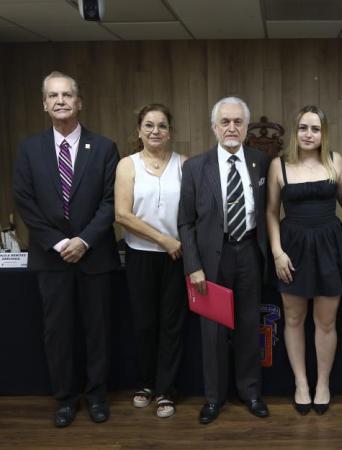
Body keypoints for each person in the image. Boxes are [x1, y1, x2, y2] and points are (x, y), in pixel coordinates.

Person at [13, 71, 119, 427]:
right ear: (44, 104)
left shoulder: (104, 147)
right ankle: (65, 398)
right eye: (53, 95)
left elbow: (109, 202)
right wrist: (59, 243)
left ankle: (96, 396)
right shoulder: (29, 149)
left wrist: (84, 240)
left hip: (95, 255)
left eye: (67, 94)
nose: (60, 101)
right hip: (51, 257)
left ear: (79, 102)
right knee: (58, 332)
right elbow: (24, 202)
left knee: (98, 330)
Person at [178, 96, 271, 424]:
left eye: (238, 122)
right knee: (213, 332)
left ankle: (250, 392)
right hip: (210, 260)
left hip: (248, 253)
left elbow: (269, 212)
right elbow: (185, 222)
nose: (232, 128)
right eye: (225, 122)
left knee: (248, 326)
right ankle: (214, 398)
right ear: (214, 127)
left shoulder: (262, 161)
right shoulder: (195, 167)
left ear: (246, 127)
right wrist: (193, 266)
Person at [266, 105, 342, 416]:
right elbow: (271, 213)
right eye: (303, 128)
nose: (308, 134)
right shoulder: (279, 165)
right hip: (292, 248)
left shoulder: (336, 161)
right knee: (292, 319)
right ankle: (301, 383)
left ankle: (323, 384)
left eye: (315, 129)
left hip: (330, 246)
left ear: (323, 133)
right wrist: (277, 252)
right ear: (296, 131)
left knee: (326, 321)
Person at [114, 104, 187, 418]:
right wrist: (163, 239)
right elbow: (122, 215)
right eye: (149, 125)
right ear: (139, 131)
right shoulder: (127, 165)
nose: (155, 131)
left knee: (172, 326)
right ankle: (146, 384)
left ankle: (166, 391)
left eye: (161, 126)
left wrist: (178, 243)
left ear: (170, 131)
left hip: (178, 257)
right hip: (142, 255)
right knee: (145, 324)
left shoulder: (185, 164)